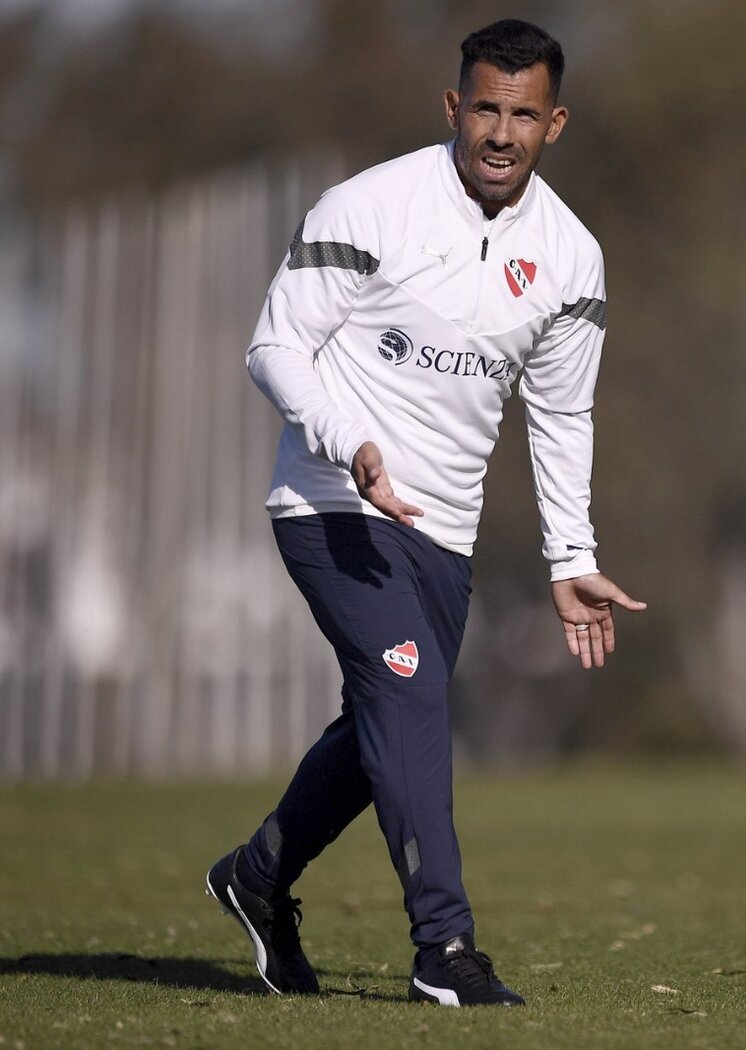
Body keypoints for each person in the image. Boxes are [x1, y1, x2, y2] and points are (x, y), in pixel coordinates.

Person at [205, 19, 645, 1007]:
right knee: (411, 699)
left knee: (384, 725)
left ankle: (258, 877)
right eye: (484, 107)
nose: (499, 132)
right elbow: (274, 347)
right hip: (328, 505)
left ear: (554, 124)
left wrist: (570, 555)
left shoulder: (573, 258)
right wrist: (345, 439)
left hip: (442, 536)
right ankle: (444, 948)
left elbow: (563, 414)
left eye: (522, 115)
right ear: (455, 106)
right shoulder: (370, 207)